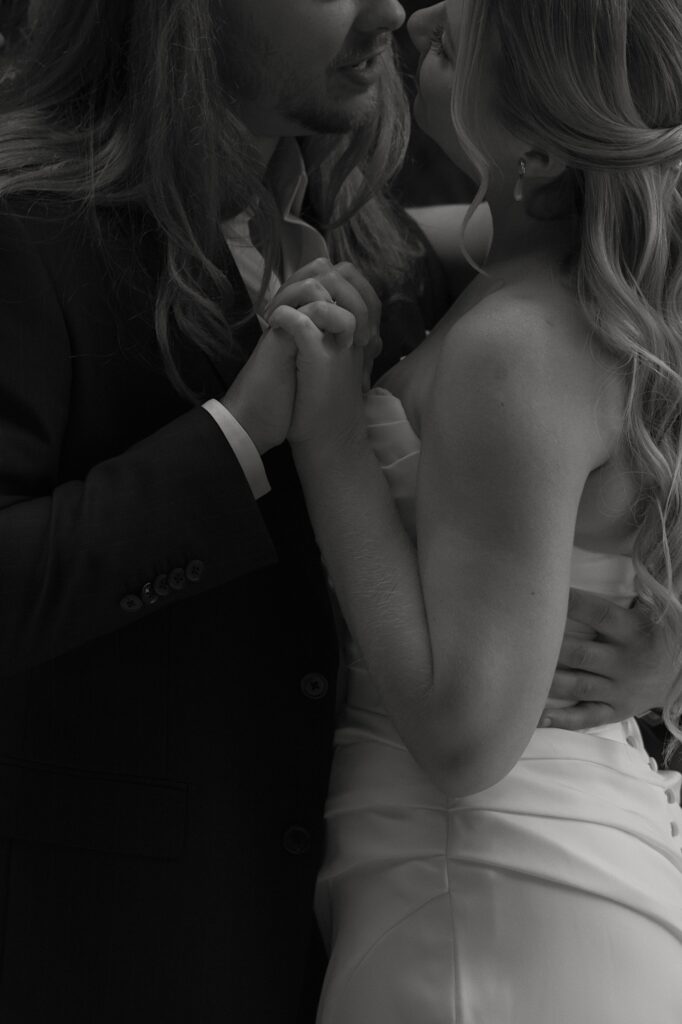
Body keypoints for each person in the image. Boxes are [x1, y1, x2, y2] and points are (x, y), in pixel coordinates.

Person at [0, 1, 674, 1022]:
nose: (395, 8)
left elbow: (615, 366)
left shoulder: (389, 250)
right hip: (126, 950)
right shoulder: (27, 237)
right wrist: (235, 436)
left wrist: (668, 643)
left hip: (427, 919)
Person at [247, 0, 682, 1020]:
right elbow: (409, 246)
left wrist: (333, 441)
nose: (429, 10)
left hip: (484, 901)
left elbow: (461, 733)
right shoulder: (526, 272)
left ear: (538, 150)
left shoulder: (517, 347)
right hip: (514, 876)